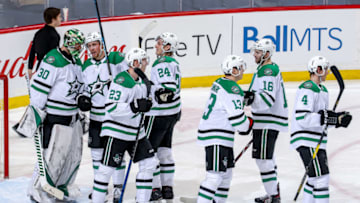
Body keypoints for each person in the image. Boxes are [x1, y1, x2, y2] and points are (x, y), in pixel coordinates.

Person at [91, 47, 157, 203]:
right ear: (135, 62)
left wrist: (147, 104)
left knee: (149, 163)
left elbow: (144, 105)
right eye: (144, 60)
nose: (147, 63)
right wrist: (134, 106)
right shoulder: (121, 80)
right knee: (106, 170)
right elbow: (112, 107)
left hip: (136, 133)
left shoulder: (142, 82)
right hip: (117, 132)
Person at [27, 28, 86, 202]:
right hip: (55, 116)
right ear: (69, 42)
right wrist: (36, 115)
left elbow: (81, 86)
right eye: (77, 43)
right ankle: (36, 189)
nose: (80, 47)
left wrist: (83, 98)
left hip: (72, 116)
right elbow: (39, 88)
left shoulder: (76, 61)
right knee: (51, 156)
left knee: (70, 156)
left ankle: (59, 186)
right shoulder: (53, 59)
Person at [290, 56, 352, 203]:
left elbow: (322, 119)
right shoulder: (307, 88)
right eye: (325, 69)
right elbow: (303, 117)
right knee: (321, 178)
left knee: (314, 179)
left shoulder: (323, 90)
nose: (327, 73)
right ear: (318, 70)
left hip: (316, 140)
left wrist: (337, 120)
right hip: (306, 139)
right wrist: (327, 118)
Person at [196, 55, 253, 203]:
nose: (242, 71)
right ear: (233, 70)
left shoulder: (220, 82)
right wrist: (249, 124)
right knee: (215, 176)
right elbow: (238, 119)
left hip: (219, 135)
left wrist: (241, 98)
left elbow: (225, 103)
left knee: (226, 175)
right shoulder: (232, 88)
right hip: (217, 136)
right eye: (240, 68)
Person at [81, 31, 129, 201]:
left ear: (101, 44)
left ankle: (117, 188)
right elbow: (85, 88)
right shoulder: (85, 65)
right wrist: (83, 98)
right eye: (89, 46)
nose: (92, 48)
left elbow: (130, 77)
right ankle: (99, 188)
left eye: (94, 44)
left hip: (113, 117)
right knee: (96, 154)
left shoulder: (115, 58)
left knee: (116, 154)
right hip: (95, 117)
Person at [243, 38, 288, 203]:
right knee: (267, 158)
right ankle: (273, 193)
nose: (255, 54)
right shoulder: (266, 68)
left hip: (267, 121)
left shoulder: (267, 71)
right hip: (268, 120)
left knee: (263, 159)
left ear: (267, 53)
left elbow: (266, 100)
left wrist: (250, 98)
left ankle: (274, 196)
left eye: (258, 52)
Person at [143, 32, 181, 201]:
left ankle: (155, 188)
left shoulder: (162, 62)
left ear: (167, 46)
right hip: (173, 113)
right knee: (165, 151)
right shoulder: (174, 62)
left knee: (150, 151)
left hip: (158, 115)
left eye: (158, 43)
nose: (155, 46)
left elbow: (167, 90)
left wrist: (155, 90)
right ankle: (167, 188)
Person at [28, 7, 61, 78]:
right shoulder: (54, 36)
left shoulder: (38, 33)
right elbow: (53, 55)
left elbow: (32, 51)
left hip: (39, 67)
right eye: (59, 17)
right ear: (53, 19)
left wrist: (30, 68)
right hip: (49, 68)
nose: (61, 19)